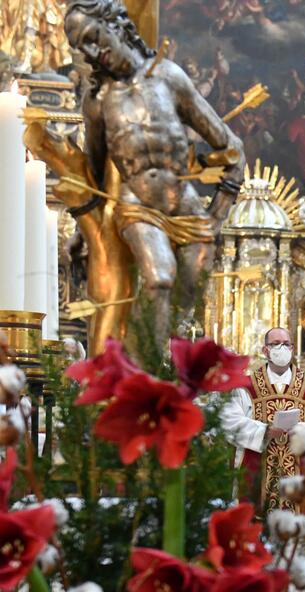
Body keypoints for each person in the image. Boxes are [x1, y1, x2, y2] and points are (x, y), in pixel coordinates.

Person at [63, 0, 245, 343]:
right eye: (81, 46)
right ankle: (144, 378)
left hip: (188, 209)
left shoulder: (168, 77)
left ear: (115, 26)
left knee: (182, 306)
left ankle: (159, 375)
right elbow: (94, 169)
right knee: (159, 278)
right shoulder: (98, 100)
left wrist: (217, 214)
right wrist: (83, 230)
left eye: (93, 37)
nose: (91, 51)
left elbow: (231, 147)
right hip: (138, 207)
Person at [222, 328, 305, 529]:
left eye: (286, 344)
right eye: (275, 344)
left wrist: (301, 430)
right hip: (255, 474)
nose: (281, 348)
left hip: (300, 473)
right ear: (265, 350)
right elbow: (229, 422)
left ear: (293, 349)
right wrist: (264, 431)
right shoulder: (246, 386)